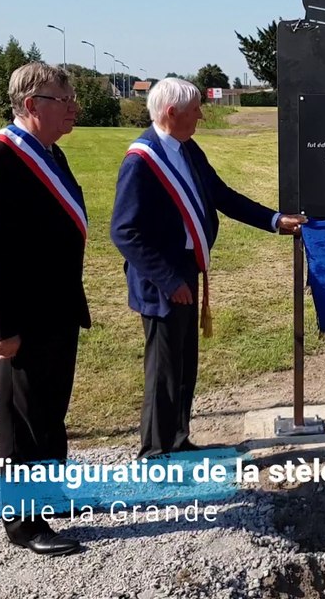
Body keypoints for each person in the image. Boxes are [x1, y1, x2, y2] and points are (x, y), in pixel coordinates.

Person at [111, 78, 305, 460]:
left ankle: (179, 440)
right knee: (164, 370)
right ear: (172, 113)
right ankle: (155, 452)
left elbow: (221, 195)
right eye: (196, 108)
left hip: (187, 269)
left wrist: (274, 219)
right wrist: (169, 281)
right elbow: (124, 231)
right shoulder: (141, 161)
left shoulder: (186, 149)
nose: (201, 113)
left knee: (184, 364)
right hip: (161, 279)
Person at [0, 62, 90, 557]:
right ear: (32, 105)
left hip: (57, 310)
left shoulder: (51, 154)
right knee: (21, 422)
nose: (73, 107)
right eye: (64, 99)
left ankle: (51, 498)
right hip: (21, 319)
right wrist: (2, 326)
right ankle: (23, 523)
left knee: (50, 413)